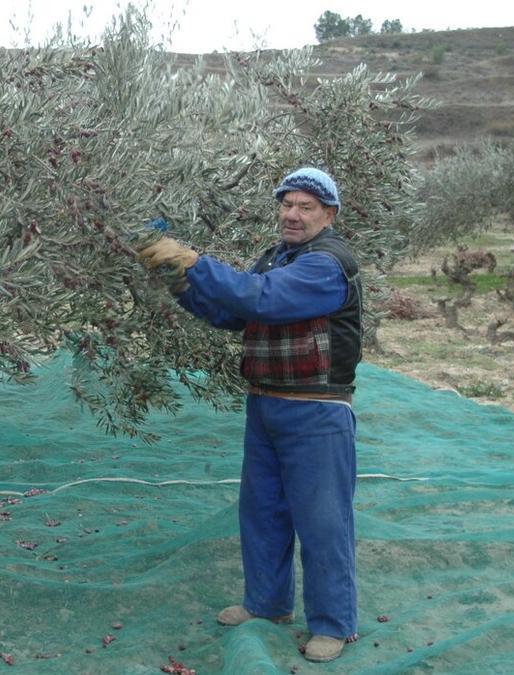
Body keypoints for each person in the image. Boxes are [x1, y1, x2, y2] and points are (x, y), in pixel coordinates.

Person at [137, 167, 362, 663]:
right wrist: (181, 281)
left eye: (305, 207)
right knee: (262, 511)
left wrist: (194, 261)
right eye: (287, 204)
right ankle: (267, 603)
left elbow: (262, 298)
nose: (292, 214)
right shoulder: (278, 257)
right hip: (266, 403)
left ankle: (333, 624)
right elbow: (232, 314)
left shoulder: (328, 264)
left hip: (317, 411)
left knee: (323, 522)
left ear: (329, 215)